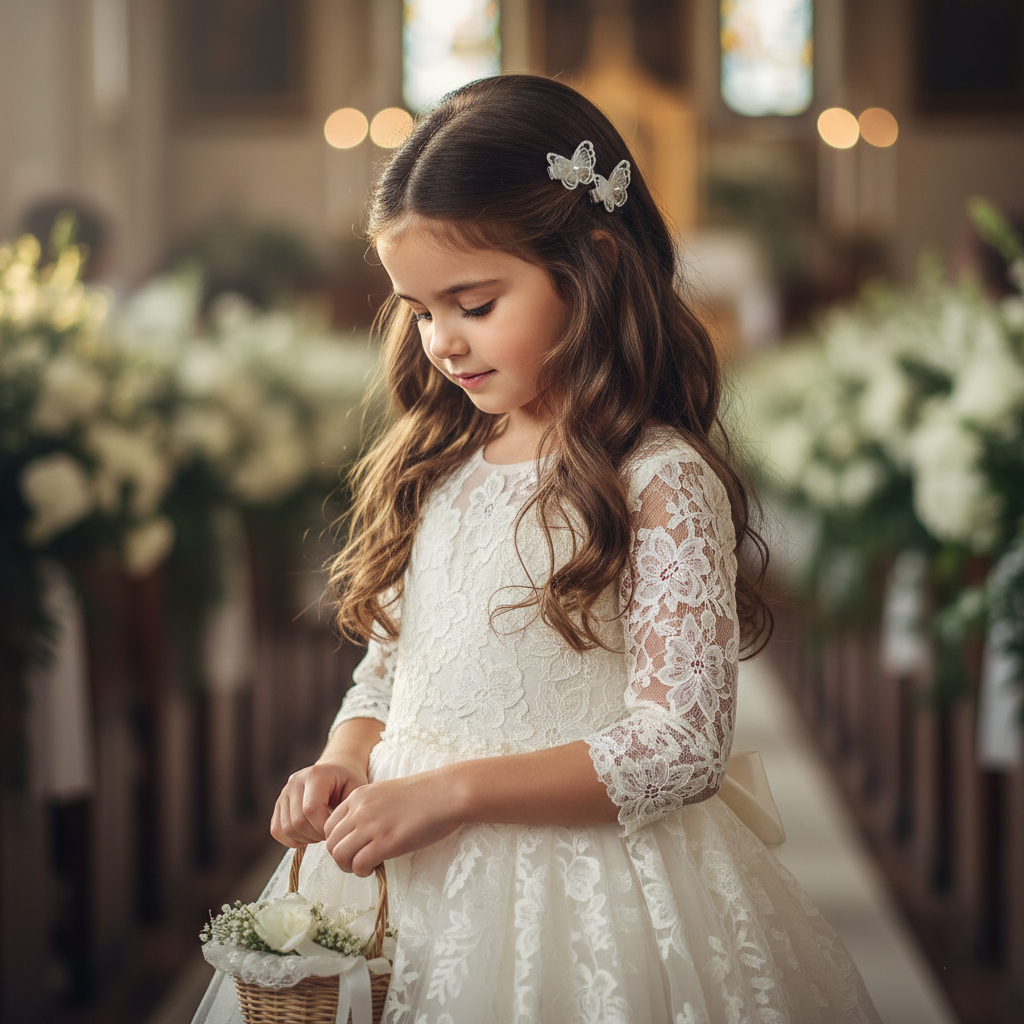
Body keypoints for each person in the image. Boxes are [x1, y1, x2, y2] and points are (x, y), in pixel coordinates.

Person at [193, 74, 880, 1023]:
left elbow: (682, 746)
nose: (441, 341)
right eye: (420, 309)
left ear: (592, 263)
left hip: (587, 889)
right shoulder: (440, 460)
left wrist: (457, 792)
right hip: (411, 872)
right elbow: (391, 668)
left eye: (474, 303)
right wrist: (347, 755)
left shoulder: (655, 477)